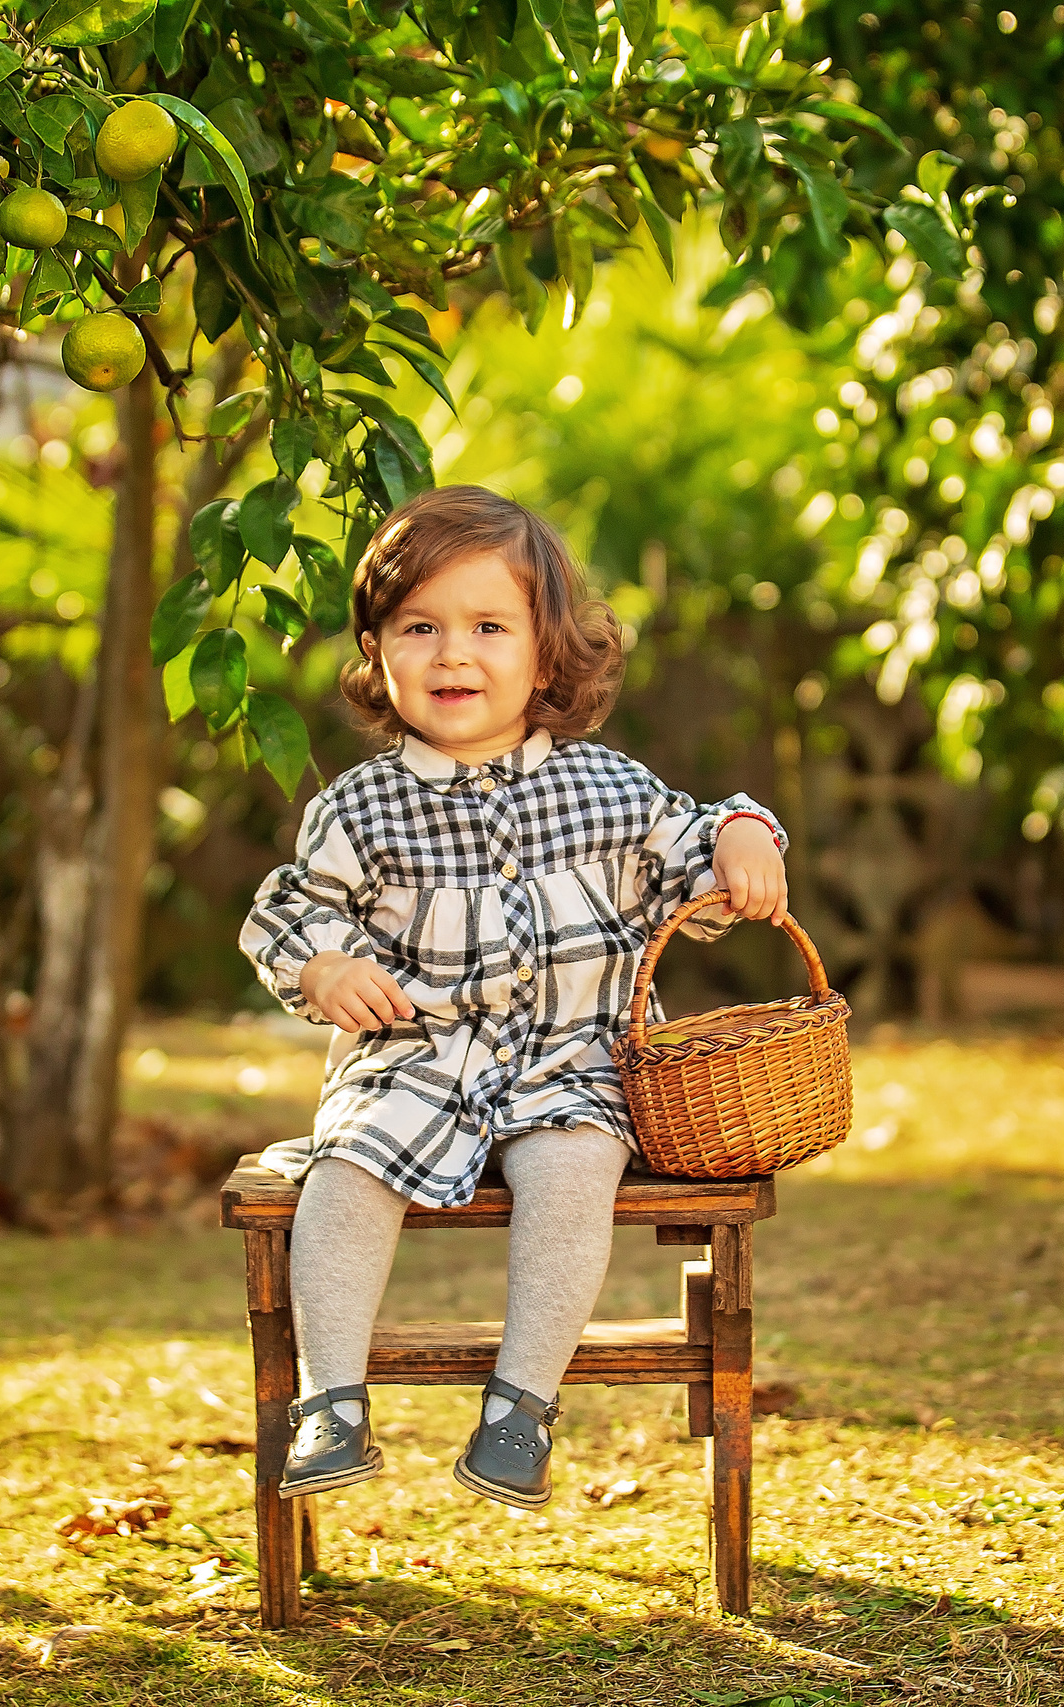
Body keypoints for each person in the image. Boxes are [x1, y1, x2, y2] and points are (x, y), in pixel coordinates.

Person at [237, 483, 789, 1510]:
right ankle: (329, 1402)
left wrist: (744, 834)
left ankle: (520, 1407)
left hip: (570, 1060)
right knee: (349, 1168)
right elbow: (288, 911)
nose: (453, 654)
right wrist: (323, 968)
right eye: (420, 628)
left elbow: (695, 843)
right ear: (376, 652)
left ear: (547, 653)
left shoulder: (608, 789)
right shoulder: (358, 808)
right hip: (414, 1057)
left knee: (575, 1166)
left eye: (488, 626)